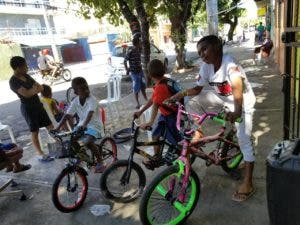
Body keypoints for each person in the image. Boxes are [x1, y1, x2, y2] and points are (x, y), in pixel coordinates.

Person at [170, 35, 256, 202]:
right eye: (199, 51)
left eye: (205, 49)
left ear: (216, 47)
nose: (202, 54)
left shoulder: (229, 63)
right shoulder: (206, 66)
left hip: (242, 104)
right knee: (192, 101)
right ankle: (198, 132)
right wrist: (179, 94)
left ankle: (248, 183)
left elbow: (237, 86)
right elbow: (197, 89)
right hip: (224, 101)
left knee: (244, 140)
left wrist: (238, 111)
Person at [133, 59, 182, 168]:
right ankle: (157, 157)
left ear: (149, 74)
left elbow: (155, 105)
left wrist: (150, 122)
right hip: (165, 115)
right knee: (155, 135)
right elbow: (153, 99)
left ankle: (183, 163)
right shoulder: (164, 81)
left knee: (177, 143)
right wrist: (140, 112)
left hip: (172, 117)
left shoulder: (160, 87)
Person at [54, 77, 105, 173]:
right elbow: (67, 115)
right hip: (81, 126)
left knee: (87, 141)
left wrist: (84, 125)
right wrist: (57, 128)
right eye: (82, 89)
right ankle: (82, 156)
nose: (86, 91)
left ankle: (100, 161)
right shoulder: (75, 101)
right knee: (71, 141)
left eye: (86, 88)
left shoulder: (92, 99)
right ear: (76, 92)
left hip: (94, 126)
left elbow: (90, 113)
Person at [9, 56, 54, 162]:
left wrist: (32, 90)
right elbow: (27, 94)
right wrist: (34, 89)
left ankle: (60, 145)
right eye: (25, 66)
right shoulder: (13, 81)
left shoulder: (26, 76)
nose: (27, 68)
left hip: (38, 105)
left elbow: (41, 87)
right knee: (35, 131)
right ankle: (40, 154)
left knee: (50, 126)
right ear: (17, 68)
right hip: (28, 108)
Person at [124, 37, 148, 109]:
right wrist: (127, 69)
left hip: (140, 72)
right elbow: (125, 61)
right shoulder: (131, 51)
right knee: (136, 88)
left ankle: (146, 100)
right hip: (134, 73)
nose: (141, 43)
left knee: (143, 86)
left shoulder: (139, 50)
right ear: (137, 43)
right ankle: (138, 103)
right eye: (140, 42)